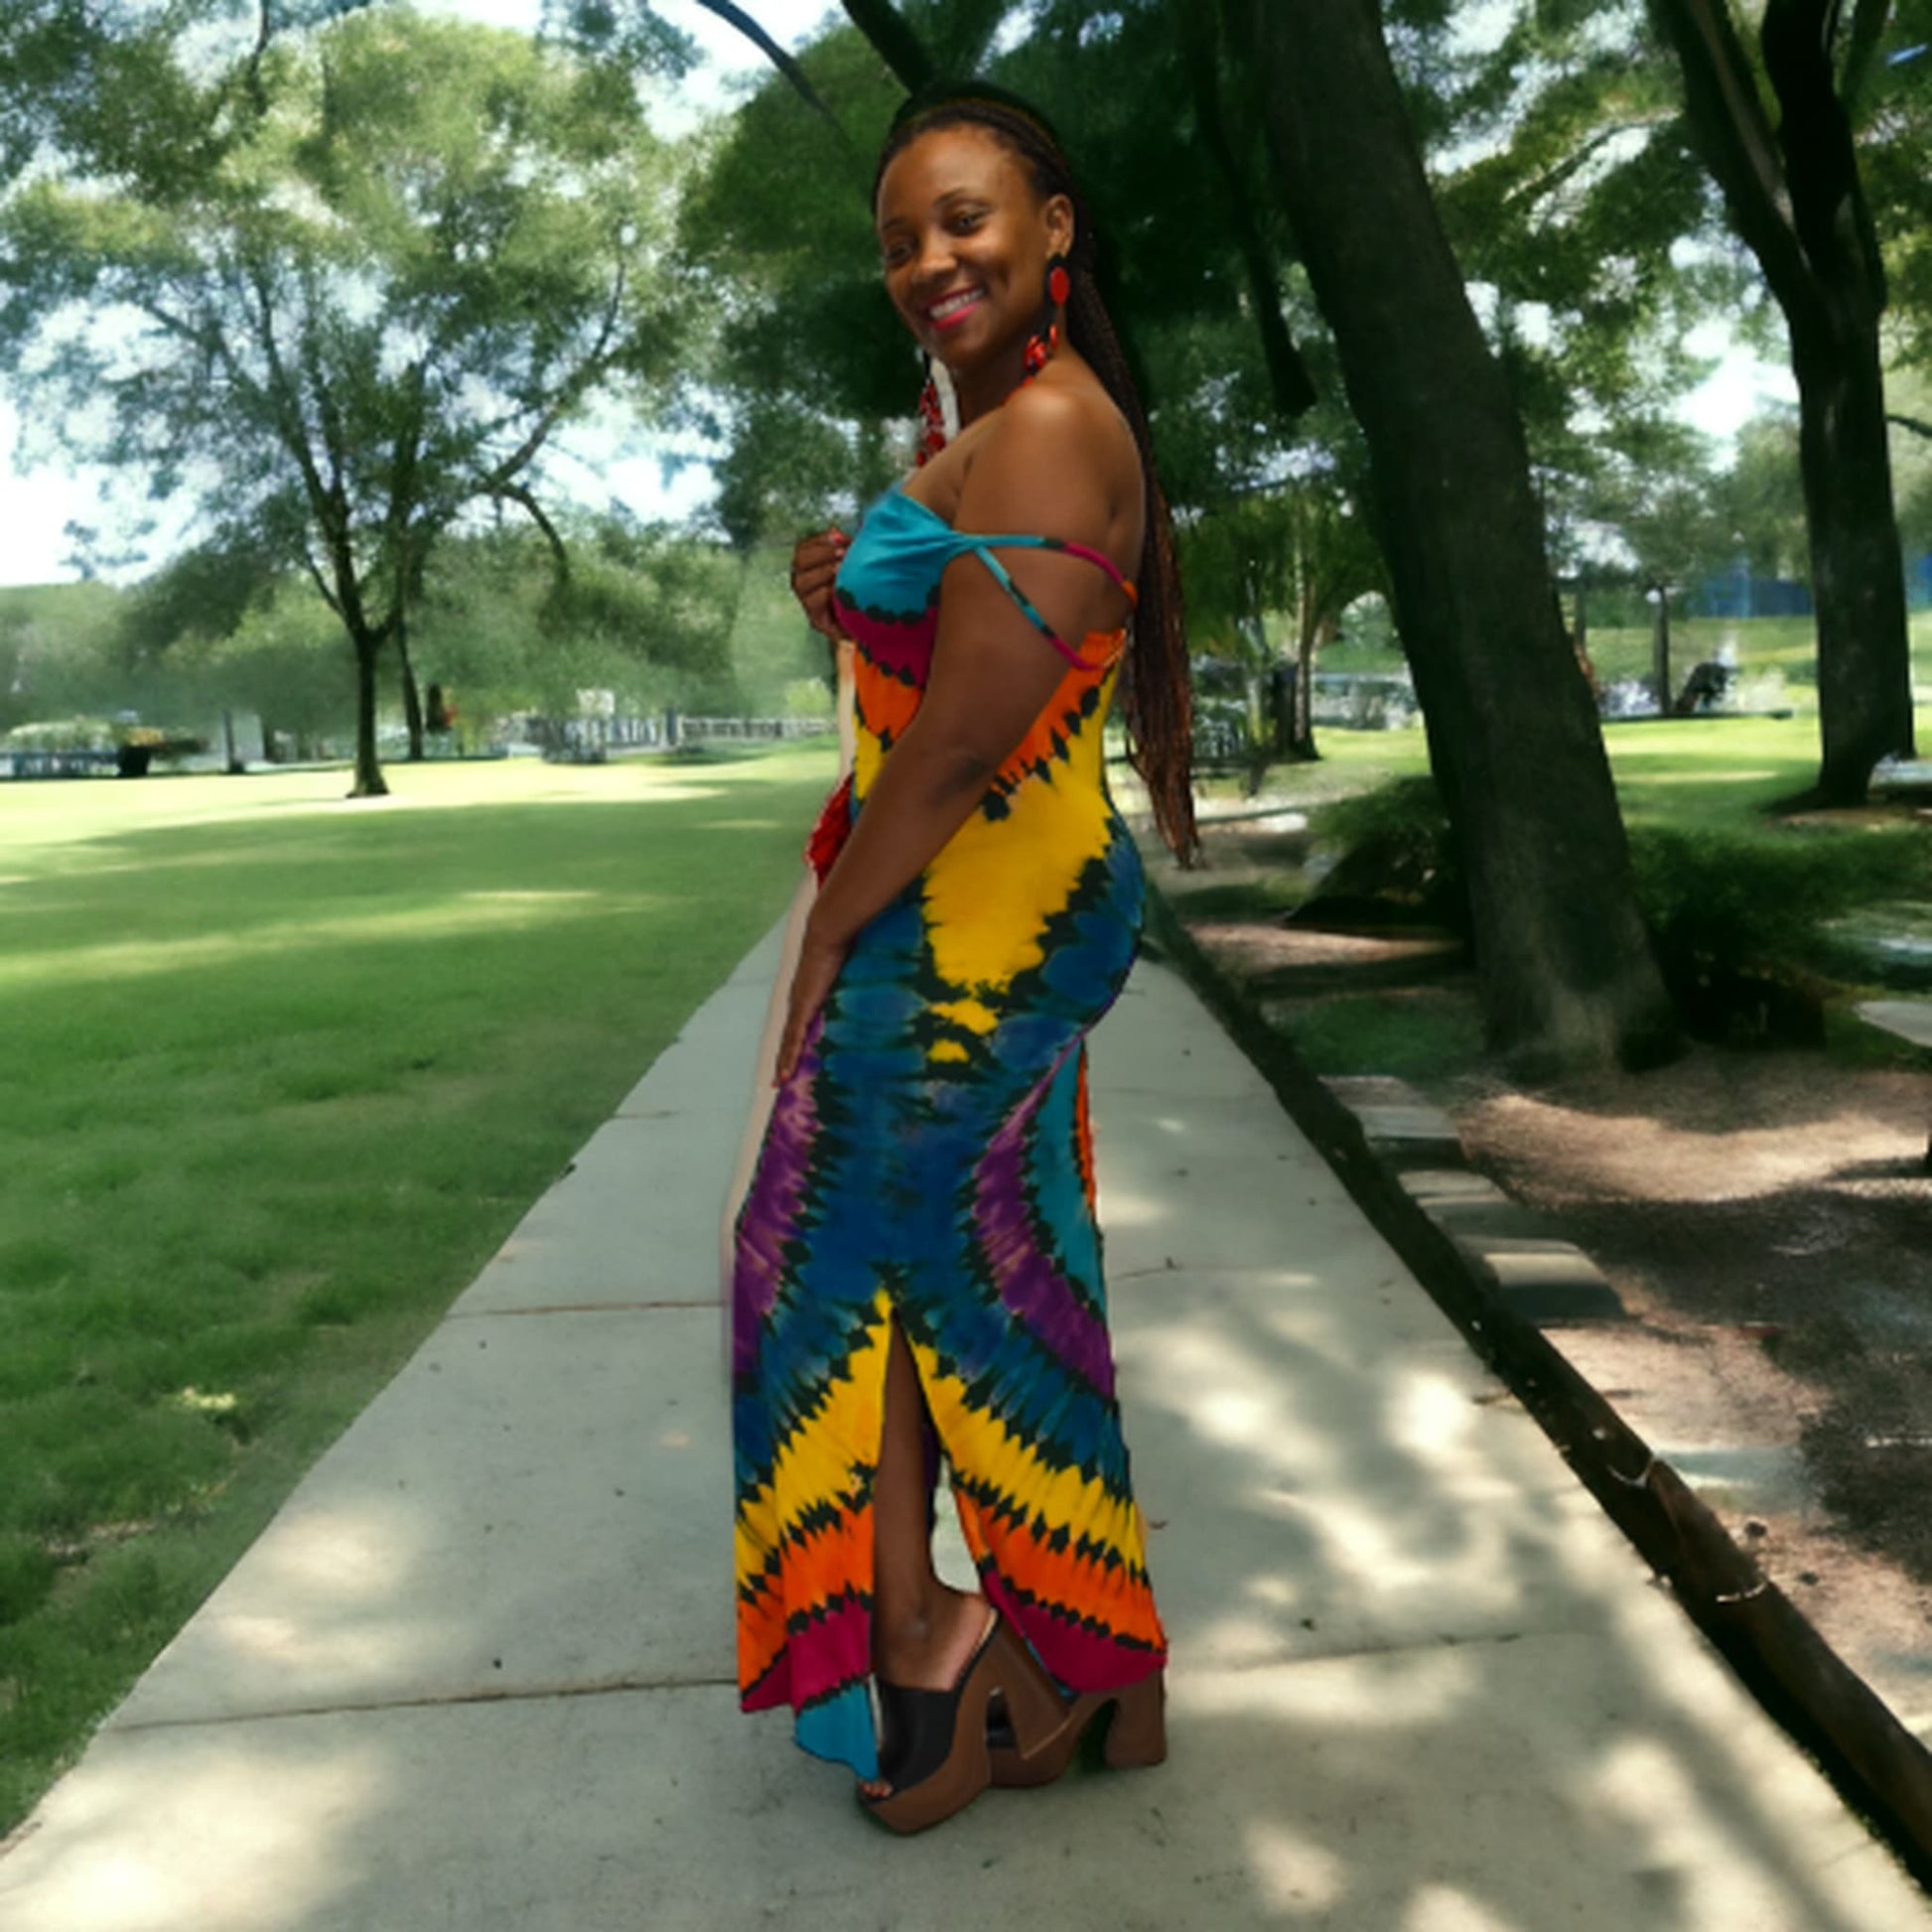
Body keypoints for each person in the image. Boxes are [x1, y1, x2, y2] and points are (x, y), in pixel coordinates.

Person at [729, 80, 1197, 1837]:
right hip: (976, 918)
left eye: (966, 219)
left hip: (964, 933)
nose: (929, 257)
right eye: (900, 239)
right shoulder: (1003, 423)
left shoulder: (1057, 431)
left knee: (829, 1274)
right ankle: (1072, 1652)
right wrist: (846, 570)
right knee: (966, 1275)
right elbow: (942, 629)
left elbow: (956, 745)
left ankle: (967, 1644)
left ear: (1054, 227)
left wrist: (825, 928)